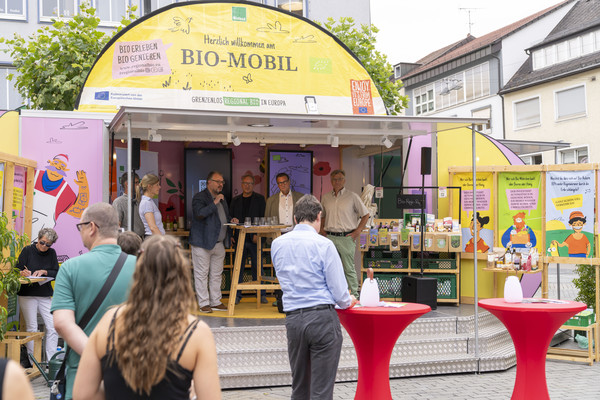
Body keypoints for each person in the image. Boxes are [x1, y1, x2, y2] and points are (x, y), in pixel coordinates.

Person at [73, 235, 221, 400]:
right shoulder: (196, 332)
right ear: (182, 275)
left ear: (138, 272)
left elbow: (84, 394)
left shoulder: (110, 321)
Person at [271, 194, 358, 399]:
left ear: (295, 218)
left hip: (293, 319)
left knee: (299, 387)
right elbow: (339, 292)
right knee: (321, 391)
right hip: (322, 319)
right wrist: (349, 300)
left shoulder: (278, 244)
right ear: (319, 216)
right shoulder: (324, 245)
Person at [51, 203, 136, 400]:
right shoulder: (142, 267)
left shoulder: (70, 268)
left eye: (80, 226)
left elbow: (62, 323)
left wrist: (97, 358)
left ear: (92, 227)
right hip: (132, 379)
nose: (80, 232)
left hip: (81, 380)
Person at [189, 171, 238, 313]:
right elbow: (199, 214)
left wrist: (231, 220)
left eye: (222, 182)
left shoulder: (222, 199)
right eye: (218, 181)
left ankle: (215, 301)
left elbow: (224, 217)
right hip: (203, 243)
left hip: (219, 243)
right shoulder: (200, 197)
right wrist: (214, 202)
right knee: (201, 274)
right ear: (208, 182)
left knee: (217, 274)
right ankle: (204, 303)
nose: (221, 184)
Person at [320, 170, 369, 298]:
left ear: (344, 180)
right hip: (329, 237)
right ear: (331, 181)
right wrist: (322, 230)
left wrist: (357, 231)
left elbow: (366, 214)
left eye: (340, 179)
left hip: (346, 237)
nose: (337, 182)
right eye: (334, 179)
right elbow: (322, 216)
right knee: (329, 268)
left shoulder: (352, 196)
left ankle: (354, 296)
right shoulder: (325, 197)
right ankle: (331, 295)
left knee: (349, 268)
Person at [16, 227, 60, 363]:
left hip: (44, 294)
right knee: (32, 327)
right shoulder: (28, 250)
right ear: (38, 239)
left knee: (53, 326)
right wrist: (22, 273)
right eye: (42, 242)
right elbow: (17, 268)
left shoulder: (51, 253)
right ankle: (33, 361)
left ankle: (50, 362)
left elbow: (56, 272)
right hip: (27, 293)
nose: (44, 246)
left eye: (48, 244)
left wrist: (45, 272)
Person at [229, 173, 267, 304]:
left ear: (254, 185)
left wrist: (258, 233)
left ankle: (261, 294)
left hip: (255, 238)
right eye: (245, 183)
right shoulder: (235, 200)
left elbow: (263, 218)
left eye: (250, 183)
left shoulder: (260, 199)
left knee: (258, 267)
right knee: (238, 268)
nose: (247, 186)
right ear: (241, 184)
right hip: (239, 238)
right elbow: (231, 219)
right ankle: (237, 296)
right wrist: (231, 236)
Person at [32, 153, 89, 235]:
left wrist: (84, 187)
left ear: (65, 170)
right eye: (55, 164)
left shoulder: (65, 191)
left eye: (61, 167)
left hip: (42, 242)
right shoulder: (32, 175)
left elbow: (78, 211)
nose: (56, 170)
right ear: (50, 163)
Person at [112, 172, 145, 239]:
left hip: (141, 239)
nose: (138, 185)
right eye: (135, 183)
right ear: (127, 184)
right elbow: (116, 225)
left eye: (138, 183)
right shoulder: (119, 202)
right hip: (129, 241)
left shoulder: (139, 200)